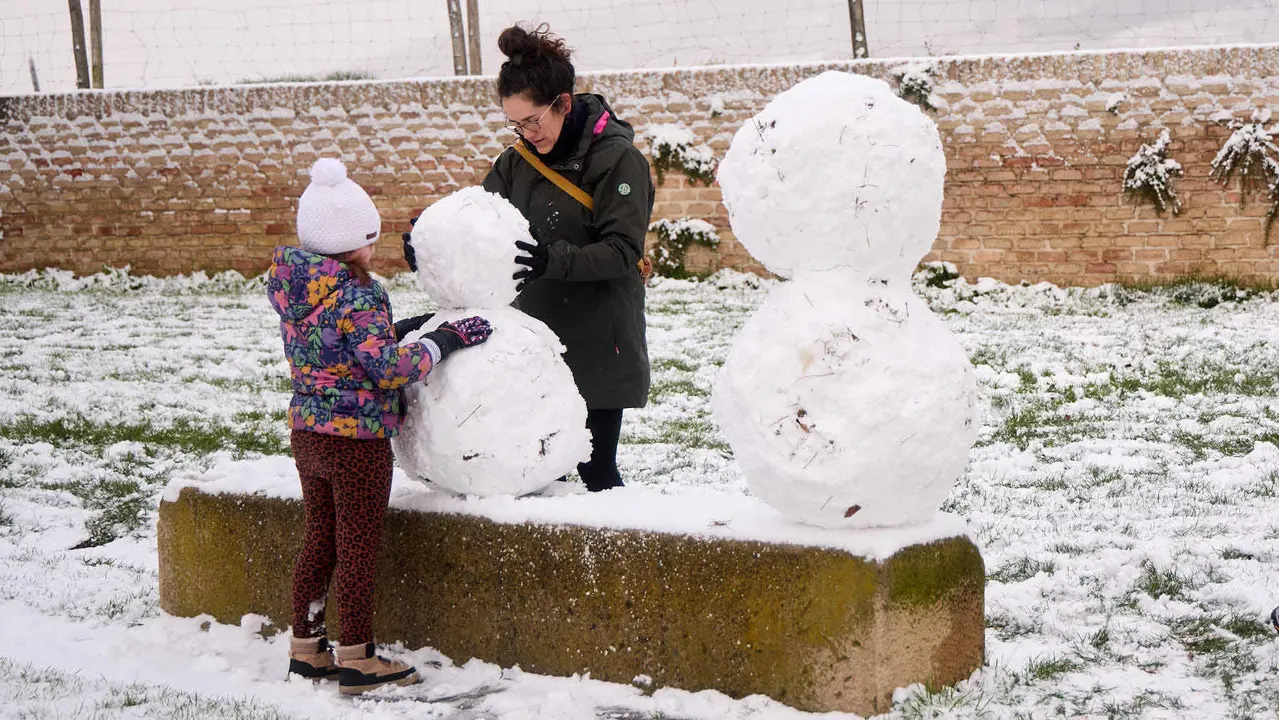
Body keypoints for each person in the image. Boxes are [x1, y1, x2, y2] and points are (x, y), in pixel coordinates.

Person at [268, 157, 492, 695]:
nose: (375, 246)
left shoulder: (295, 284)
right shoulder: (358, 290)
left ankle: (306, 648)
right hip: (357, 442)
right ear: (354, 239)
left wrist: (397, 329)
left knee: (320, 539)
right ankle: (358, 659)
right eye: (369, 237)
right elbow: (387, 368)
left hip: (309, 433)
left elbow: (336, 342)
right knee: (358, 547)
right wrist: (443, 340)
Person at [457, 22, 654, 492]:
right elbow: (478, 217)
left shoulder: (617, 160)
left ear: (563, 104)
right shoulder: (516, 162)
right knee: (541, 475)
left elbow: (623, 251)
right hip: (537, 341)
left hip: (598, 337)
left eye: (533, 121)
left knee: (595, 473)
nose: (525, 133)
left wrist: (553, 261)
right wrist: (432, 240)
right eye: (515, 124)